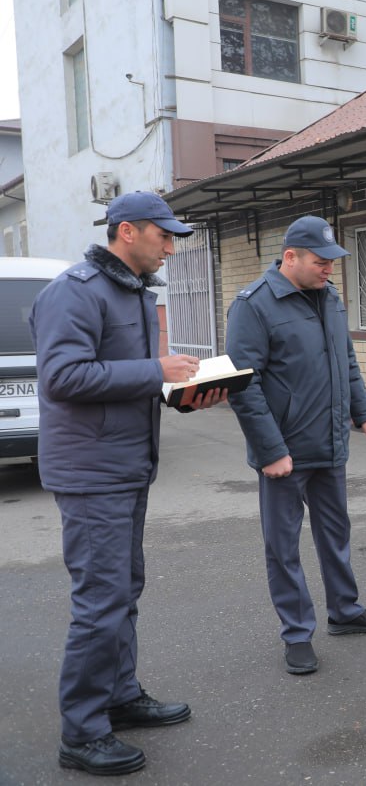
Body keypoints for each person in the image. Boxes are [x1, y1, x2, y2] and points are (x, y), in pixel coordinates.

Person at [30, 191, 226, 776]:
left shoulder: (134, 292)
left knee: (122, 591)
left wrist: (181, 393)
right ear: (127, 231)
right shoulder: (75, 291)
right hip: (91, 472)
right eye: (164, 236)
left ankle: (118, 696)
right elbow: (63, 377)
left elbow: (123, 381)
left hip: (124, 466)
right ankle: (82, 733)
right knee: (100, 601)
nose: (171, 249)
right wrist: (154, 370)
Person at [226, 215, 366, 676]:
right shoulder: (254, 305)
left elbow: (346, 360)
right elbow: (244, 386)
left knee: (335, 532)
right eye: (320, 262)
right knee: (283, 547)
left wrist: (365, 414)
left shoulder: (330, 297)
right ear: (290, 257)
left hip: (329, 442)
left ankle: (345, 611)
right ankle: (297, 634)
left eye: (332, 262)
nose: (329, 269)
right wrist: (271, 451)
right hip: (284, 452)